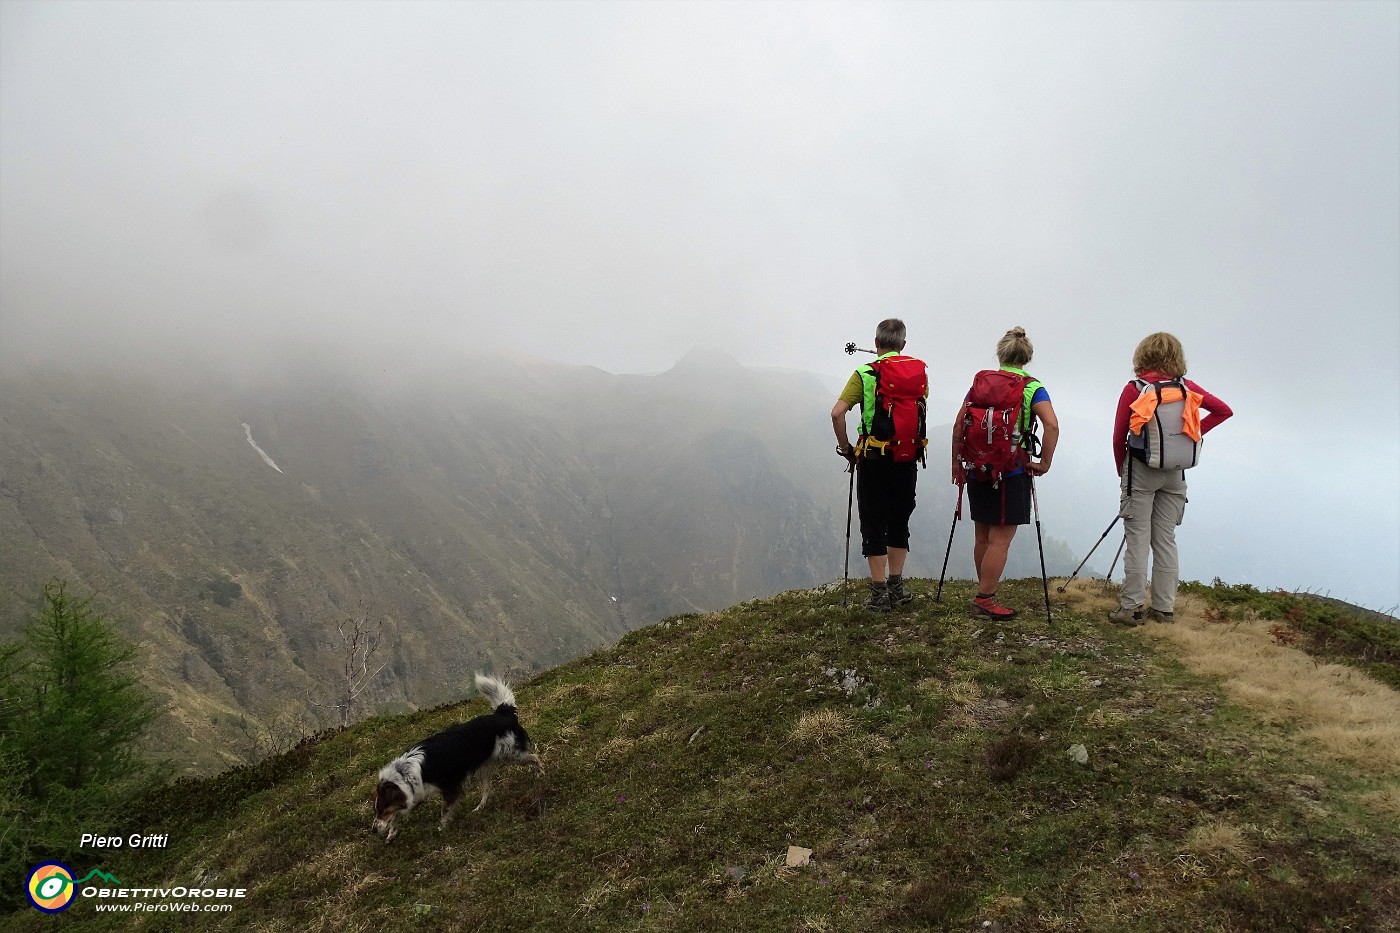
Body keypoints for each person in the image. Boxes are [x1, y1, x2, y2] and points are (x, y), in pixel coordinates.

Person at [1108, 333, 1232, 625]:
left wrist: (1121, 470)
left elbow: (1118, 436)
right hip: (1176, 473)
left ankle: (1131, 608)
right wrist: (1190, 433)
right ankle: (1164, 609)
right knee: (1165, 538)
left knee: (1137, 537)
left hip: (1140, 470)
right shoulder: (1186, 387)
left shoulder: (1135, 389)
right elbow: (1223, 410)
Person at [950, 327, 1059, 620]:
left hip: (976, 468)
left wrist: (956, 464)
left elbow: (960, 424)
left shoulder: (980, 384)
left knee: (982, 536)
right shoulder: (1032, 387)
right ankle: (985, 599)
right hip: (1011, 470)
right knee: (1000, 540)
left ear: (1000, 353)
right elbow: (1051, 425)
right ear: (1027, 357)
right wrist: (1044, 462)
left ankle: (984, 593)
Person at [830, 319, 927, 611]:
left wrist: (847, 449)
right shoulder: (918, 374)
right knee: (899, 520)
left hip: (873, 460)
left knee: (873, 521)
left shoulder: (865, 373)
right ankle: (897, 587)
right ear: (904, 345)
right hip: (907, 457)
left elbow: (837, 413)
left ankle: (879, 592)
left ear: (876, 343)